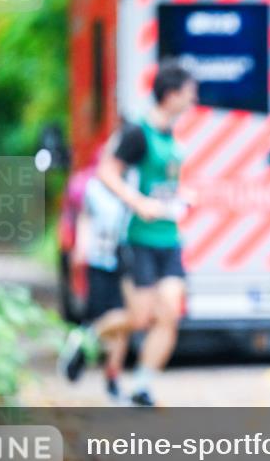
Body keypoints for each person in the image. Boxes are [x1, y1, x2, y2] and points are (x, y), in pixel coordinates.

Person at [96, 59, 196, 407]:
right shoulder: (138, 132)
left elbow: (164, 186)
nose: (191, 101)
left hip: (169, 240)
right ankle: (88, 337)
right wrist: (137, 202)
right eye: (188, 94)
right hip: (138, 238)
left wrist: (181, 200)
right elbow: (106, 172)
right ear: (170, 95)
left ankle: (142, 386)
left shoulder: (172, 136)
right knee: (141, 318)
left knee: (170, 312)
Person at [57, 169, 134, 402]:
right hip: (99, 261)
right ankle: (87, 344)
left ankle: (111, 377)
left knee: (124, 322)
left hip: (125, 262)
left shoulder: (133, 183)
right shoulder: (93, 187)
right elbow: (85, 218)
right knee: (106, 318)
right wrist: (81, 248)